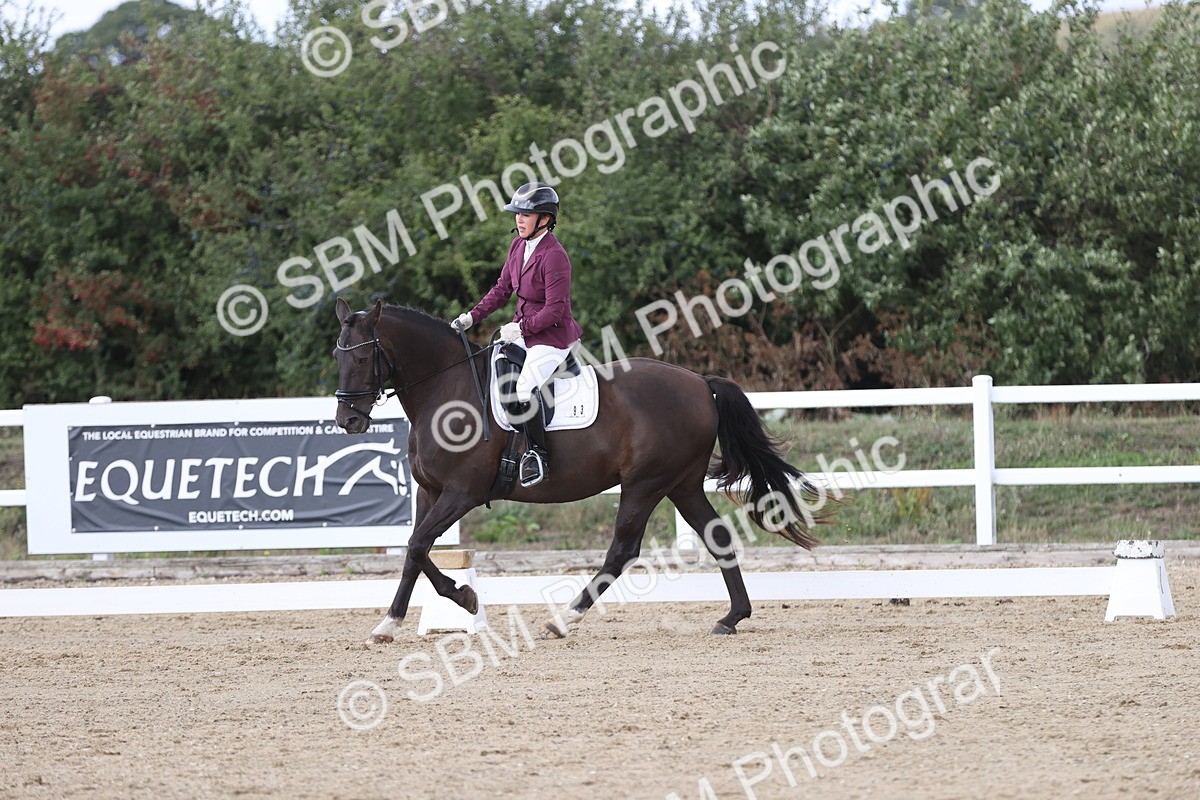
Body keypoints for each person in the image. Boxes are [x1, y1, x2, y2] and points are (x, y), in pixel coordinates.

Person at [451, 182, 584, 487]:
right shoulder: (518, 246)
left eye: (526, 214)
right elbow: (502, 289)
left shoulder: (554, 256)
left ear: (545, 219)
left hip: (552, 337)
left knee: (523, 391)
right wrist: (472, 316)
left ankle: (538, 455)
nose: (519, 219)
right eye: (518, 213)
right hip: (524, 331)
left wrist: (520, 328)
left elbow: (554, 310)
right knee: (493, 369)